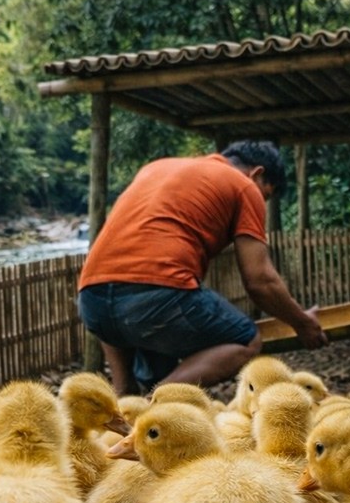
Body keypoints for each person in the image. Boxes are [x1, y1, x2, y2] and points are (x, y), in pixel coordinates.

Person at [77, 140, 327, 396]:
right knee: (246, 340)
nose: (261, 202)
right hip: (157, 296)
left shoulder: (155, 168)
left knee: (133, 391)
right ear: (257, 173)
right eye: (266, 195)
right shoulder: (244, 186)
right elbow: (259, 281)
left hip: (92, 301)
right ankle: (159, 401)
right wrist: (302, 323)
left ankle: (128, 396)